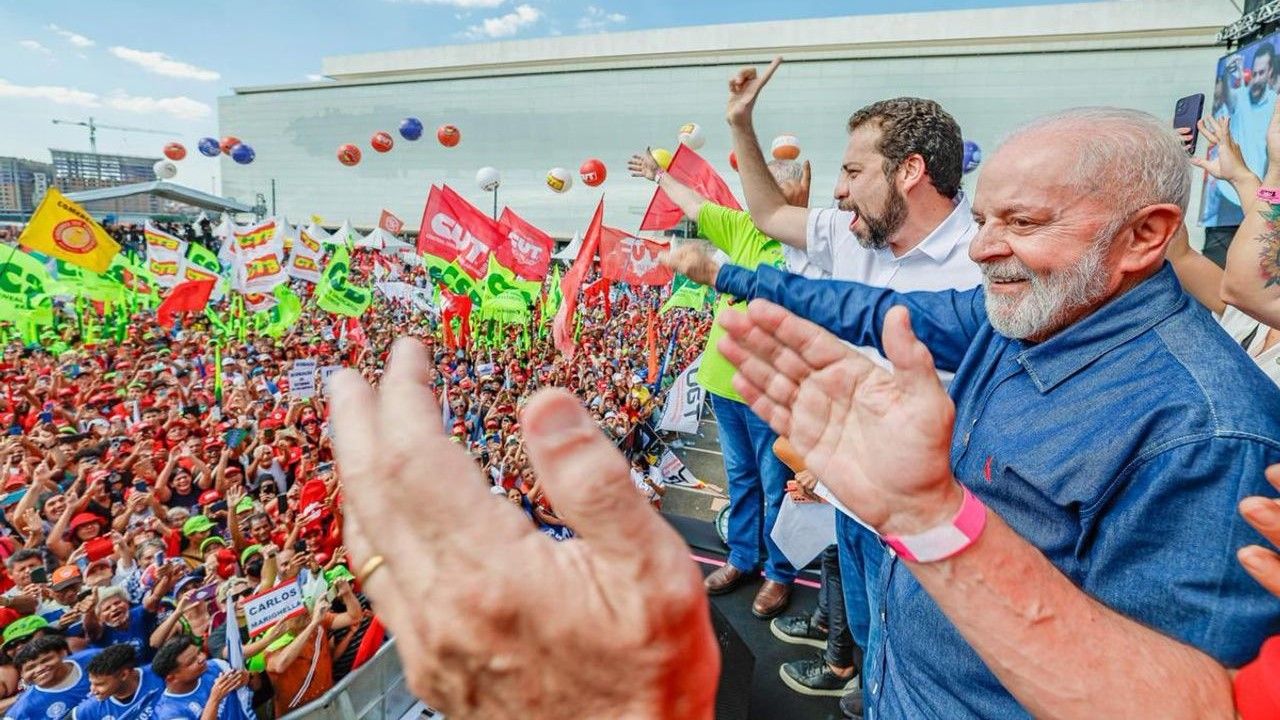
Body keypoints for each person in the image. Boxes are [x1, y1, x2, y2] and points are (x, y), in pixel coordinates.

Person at [661, 104, 1280, 718]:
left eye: (1022, 222)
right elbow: (874, 310)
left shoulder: (1207, 437)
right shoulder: (1026, 314)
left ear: (1144, 235)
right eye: (983, 220)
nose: (981, 249)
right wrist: (734, 278)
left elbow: (1167, 697)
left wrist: (934, 519)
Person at [722, 56, 981, 707]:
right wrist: (742, 124)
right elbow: (767, 214)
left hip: (929, 522)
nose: (837, 191)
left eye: (853, 172)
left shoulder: (981, 260)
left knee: (924, 662)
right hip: (851, 500)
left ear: (910, 171)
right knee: (868, 633)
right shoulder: (850, 235)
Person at [628, 146, 818, 618]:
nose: (758, 199)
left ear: (796, 193)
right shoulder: (745, 228)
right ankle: (743, 558)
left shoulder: (809, 242)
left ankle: (779, 573)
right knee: (741, 479)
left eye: (770, 189)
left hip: (773, 393)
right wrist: (659, 175)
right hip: (723, 382)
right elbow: (696, 206)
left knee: (777, 486)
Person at [150, 636, 254, 720]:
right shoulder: (170, 713)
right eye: (192, 661)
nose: (202, 658)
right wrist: (214, 699)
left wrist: (248, 678)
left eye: (199, 652)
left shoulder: (216, 666)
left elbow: (255, 687)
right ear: (171, 678)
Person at [4, 635, 95, 720]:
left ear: (62, 653)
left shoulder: (92, 658)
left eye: (45, 660)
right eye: (30, 668)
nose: (39, 669)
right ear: (22, 674)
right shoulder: (25, 707)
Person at [72, 643, 166, 720]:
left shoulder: (160, 675)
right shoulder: (89, 708)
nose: (93, 690)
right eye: (91, 683)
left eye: (100, 684)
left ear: (124, 675)